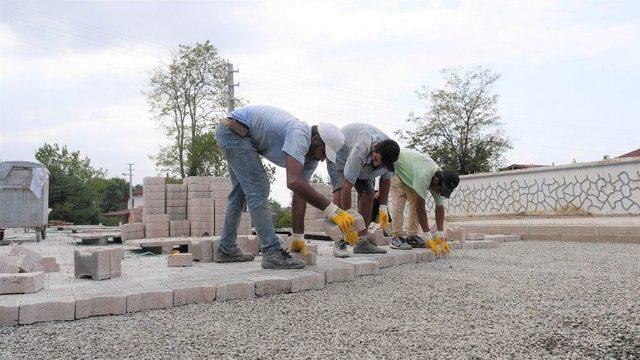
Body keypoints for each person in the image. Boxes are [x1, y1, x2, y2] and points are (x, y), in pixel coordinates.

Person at [215, 105, 355, 269]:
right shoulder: (300, 135)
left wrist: (298, 237)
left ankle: (226, 249)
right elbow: (293, 181)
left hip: (239, 134)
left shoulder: (311, 158)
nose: (324, 159)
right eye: (324, 152)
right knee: (259, 187)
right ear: (316, 139)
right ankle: (272, 252)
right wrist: (332, 210)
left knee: (240, 194)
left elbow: (300, 192)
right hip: (235, 130)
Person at [326, 123, 400, 257]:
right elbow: (347, 186)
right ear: (374, 149)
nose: (376, 164)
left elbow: (386, 179)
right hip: (339, 157)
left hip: (363, 167)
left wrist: (383, 207)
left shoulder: (391, 159)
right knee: (339, 190)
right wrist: (348, 222)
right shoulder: (361, 147)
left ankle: (362, 242)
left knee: (368, 194)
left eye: (381, 164)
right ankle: (340, 241)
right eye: (376, 159)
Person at [390, 149, 460, 255]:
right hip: (398, 167)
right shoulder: (424, 176)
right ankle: (396, 237)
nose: (440, 193)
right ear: (436, 180)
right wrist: (428, 236)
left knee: (414, 201)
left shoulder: (440, 180)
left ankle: (412, 237)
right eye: (441, 190)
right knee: (400, 201)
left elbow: (440, 207)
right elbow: (420, 208)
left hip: (411, 174)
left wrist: (440, 235)